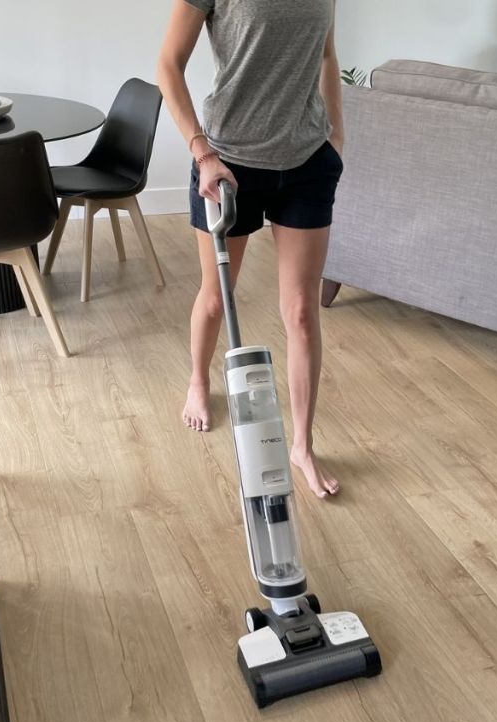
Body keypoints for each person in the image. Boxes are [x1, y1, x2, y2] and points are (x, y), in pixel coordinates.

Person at [156, 0, 344, 499]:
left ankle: (302, 445)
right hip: (228, 164)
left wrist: (336, 138)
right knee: (217, 296)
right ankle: (199, 379)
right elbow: (167, 65)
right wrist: (202, 153)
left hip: (306, 162)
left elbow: (326, 56)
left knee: (302, 313)